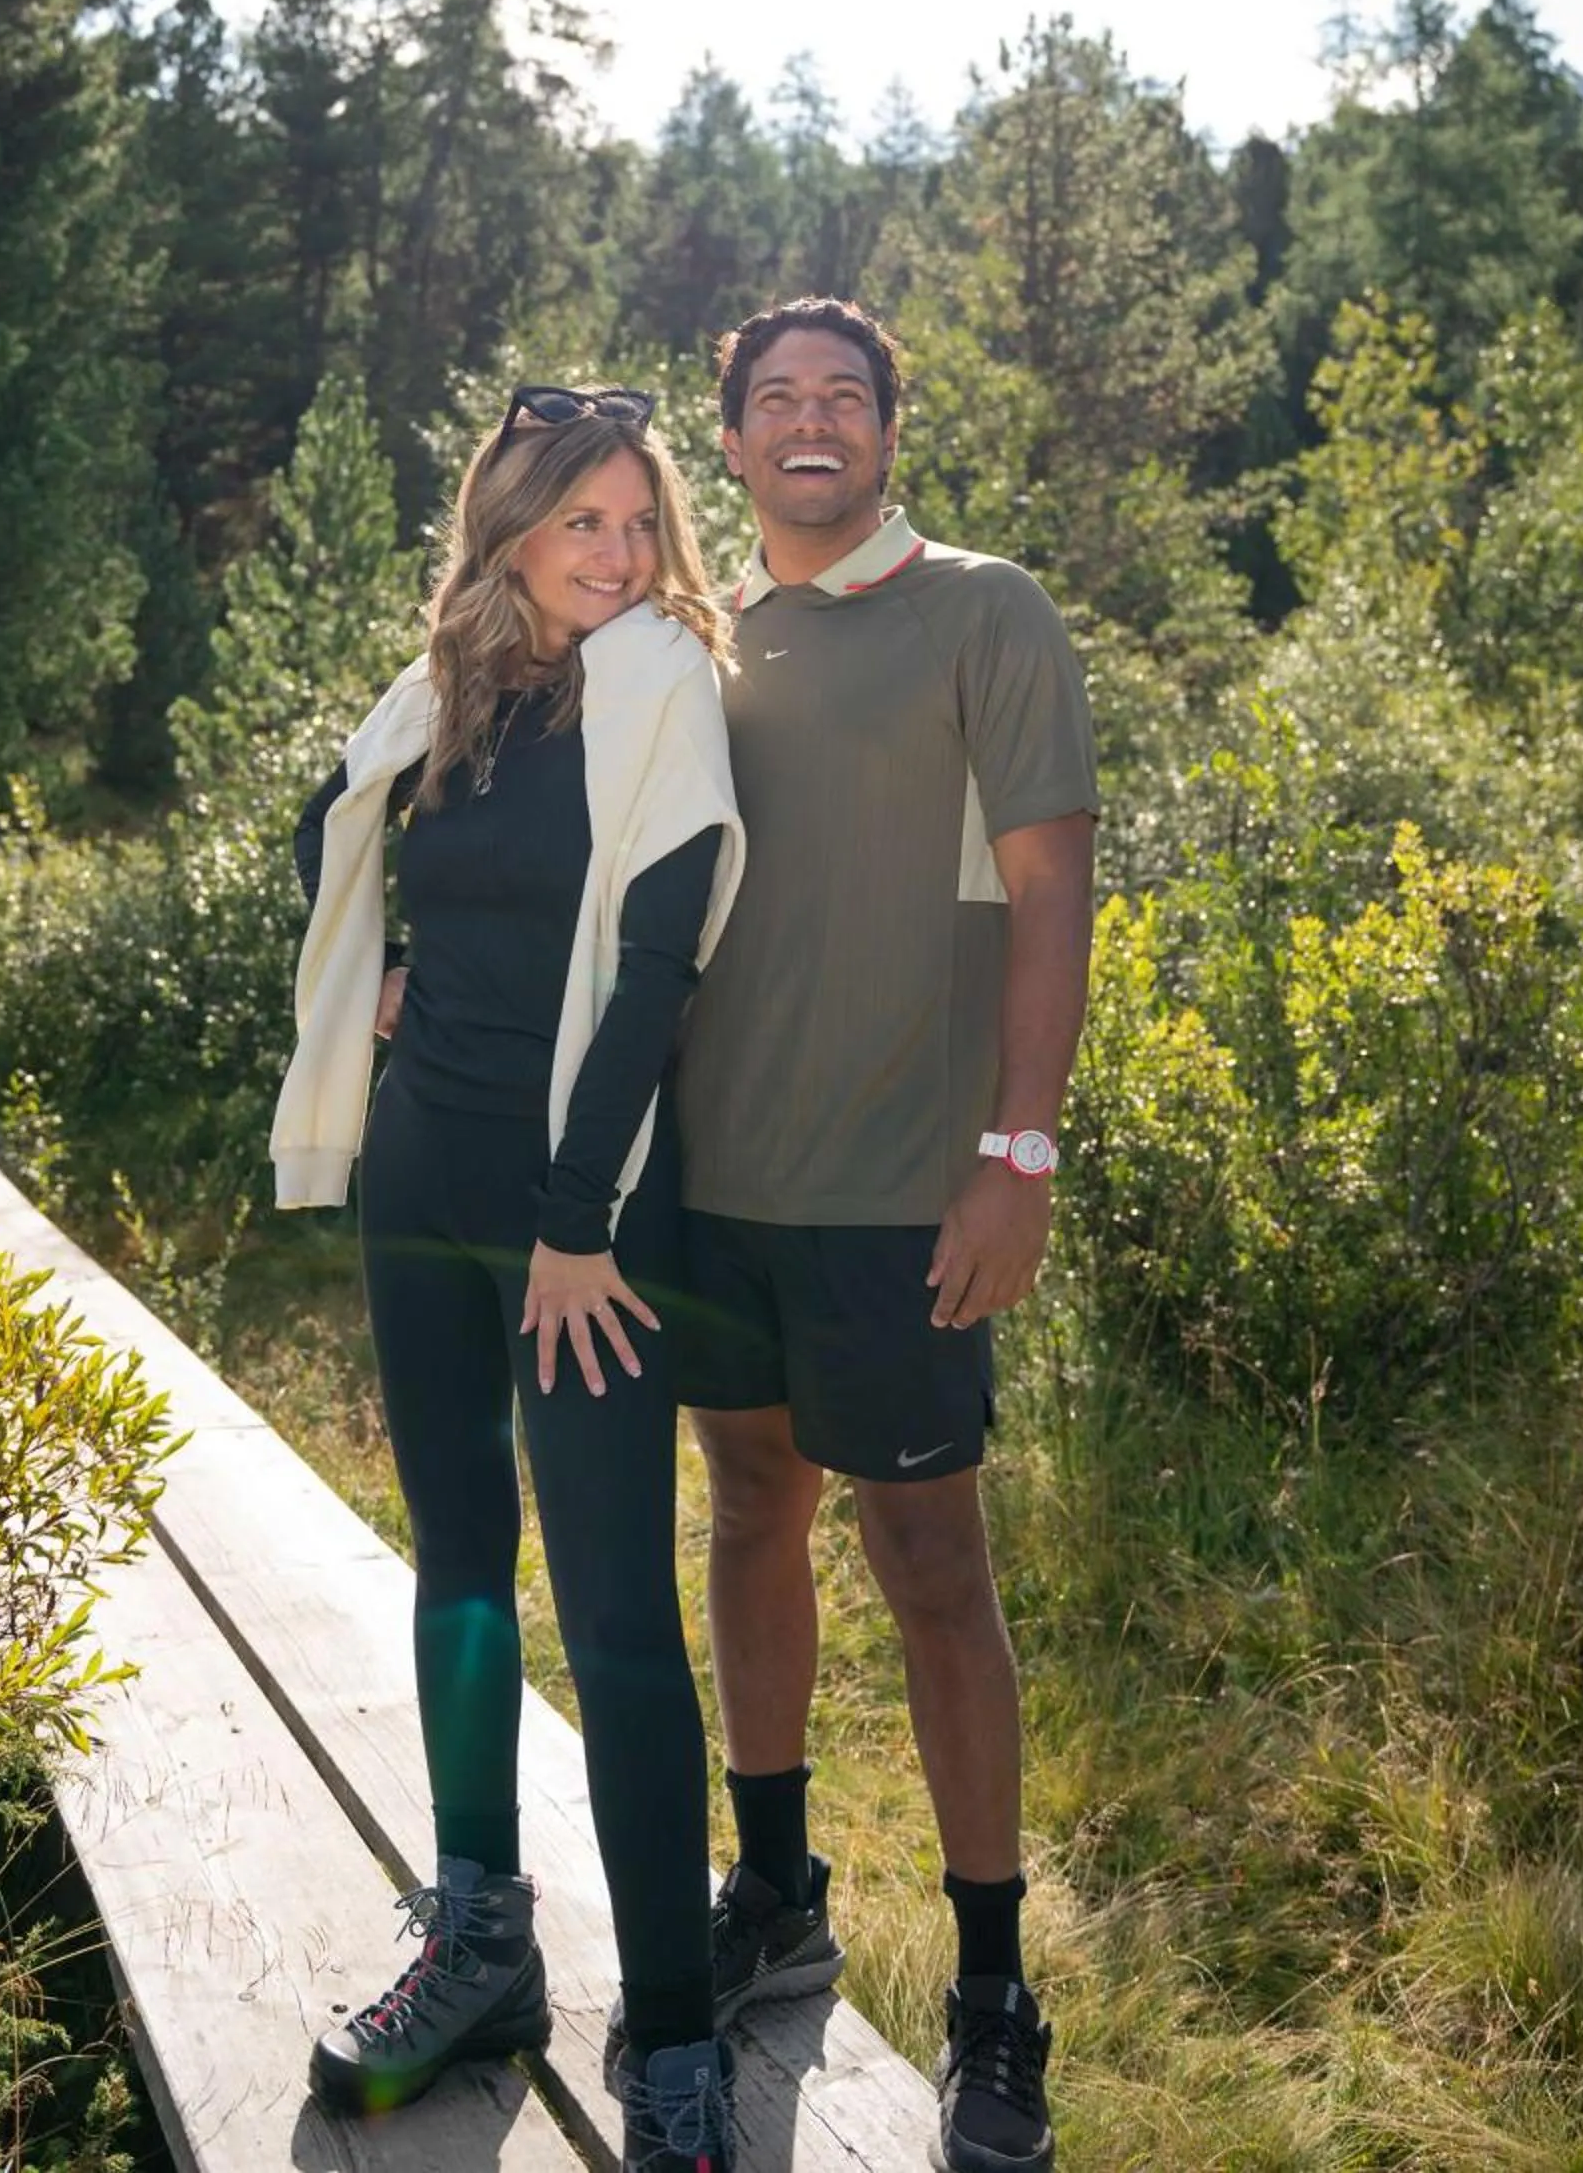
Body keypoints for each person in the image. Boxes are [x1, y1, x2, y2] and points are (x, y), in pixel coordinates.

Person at [273, 384, 746, 2173]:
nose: (617, 555)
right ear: (511, 534)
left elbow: (658, 972)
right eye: (581, 525)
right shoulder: (457, 693)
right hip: (423, 1178)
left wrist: (575, 1222)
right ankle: (481, 1947)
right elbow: (327, 826)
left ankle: (675, 2040)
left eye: (638, 523)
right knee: (462, 1561)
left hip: (587, 1219)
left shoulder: (661, 684)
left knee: (618, 1613)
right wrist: (381, 976)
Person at [671, 297, 1099, 2173]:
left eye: (844, 395)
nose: (811, 422)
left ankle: (993, 1995)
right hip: (710, 1187)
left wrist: (1018, 1151)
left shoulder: (983, 611)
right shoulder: (690, 633)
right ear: (732, 441)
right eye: (777, 397)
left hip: (902, 1199)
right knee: (747, 1513)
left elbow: (1051, 884)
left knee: (931, 1564)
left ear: (889, 430)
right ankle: (776, 1897)